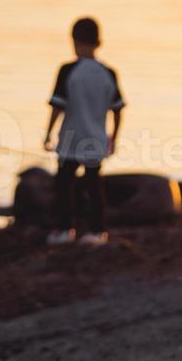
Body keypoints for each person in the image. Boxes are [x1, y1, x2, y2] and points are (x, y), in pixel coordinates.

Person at [42, 16, 125, 246]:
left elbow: (57, 106)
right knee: (94, 185)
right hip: (96, 139)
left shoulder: (68, 71)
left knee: (64, 185)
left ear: (74, 41)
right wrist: (114, 138)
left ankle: (64, 229)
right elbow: (118, 109)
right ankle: (98, 231)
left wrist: (48, 133)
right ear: (99, 42)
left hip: (71, 139)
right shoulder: (108, 73)